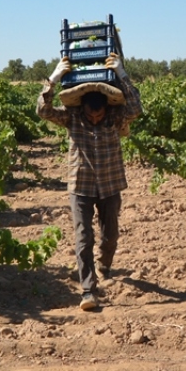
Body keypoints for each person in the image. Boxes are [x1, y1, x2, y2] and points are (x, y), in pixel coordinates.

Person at [37, 54, 143, 311]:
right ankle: (88, 291)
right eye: (90, 116)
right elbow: (43, 111)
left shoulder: (116, 117)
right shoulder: (71, 117)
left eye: (99, 116)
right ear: (82, 108)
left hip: (109, 185)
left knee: (110, 236)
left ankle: (104, 264)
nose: (95, 119)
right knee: (83, 238)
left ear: (106, 108)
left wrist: (122, 74)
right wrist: (53, 78)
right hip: (81, 186)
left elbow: (136, 109)